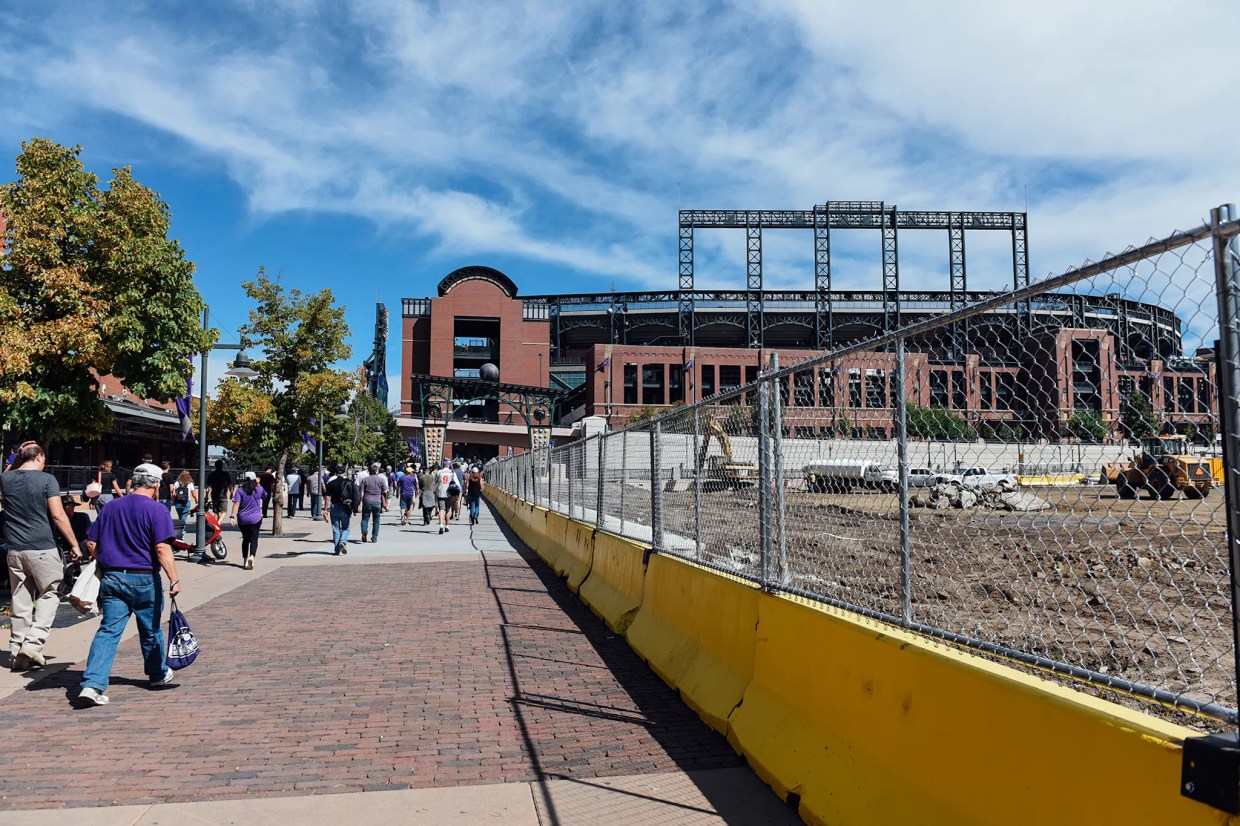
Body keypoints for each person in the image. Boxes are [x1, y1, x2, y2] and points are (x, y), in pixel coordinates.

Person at [76, 463, 181, 706]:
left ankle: (92, 684)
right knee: (151, 629)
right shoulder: (157, 510)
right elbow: (162, 548)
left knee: (108, 631)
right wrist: (174, 578)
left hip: (113, 577)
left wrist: (106, 559)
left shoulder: (111, 507)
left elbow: (91, 543)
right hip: (144, 578)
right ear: (156, 485)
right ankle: (157, 674)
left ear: (133, 482)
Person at [0, 442, 81, 671]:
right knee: (53, 591)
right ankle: (33, 643)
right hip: (42, 548)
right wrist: (74, 544)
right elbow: (58, 515)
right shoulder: (47, 480)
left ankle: (17, 652)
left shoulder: (6, 479)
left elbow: (8, 473)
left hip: (15, 549)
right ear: (39, 457)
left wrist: (19, 456)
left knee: (20, 600)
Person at [228, 471, 267, 570]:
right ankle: (252, 556)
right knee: (254, 539)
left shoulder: (240, 490)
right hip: (256, 518)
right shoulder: (259, 489)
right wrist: (258, 484)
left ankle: (245, 560)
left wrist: (232, 517)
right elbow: (265, 496)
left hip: (243, 519)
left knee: (245, 539)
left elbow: (236, 503)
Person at [324, 464, 358, 555]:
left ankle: (337, 550)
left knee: (336, 528)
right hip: (345, 507)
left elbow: (327, 497)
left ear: (335, 472)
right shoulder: (349, 482)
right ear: (344, 472)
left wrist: (325, 509)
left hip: (334, 507)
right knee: (346, 527)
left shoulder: (331, 483)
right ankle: (343, 541)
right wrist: (354, 508)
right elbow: (354, 495)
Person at [358, 462, 389, 543]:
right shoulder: (381, 480)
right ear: (376, 471)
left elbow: (362, 492)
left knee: (365, 518)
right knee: (376, 520)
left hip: (367, 500)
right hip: (377, 501)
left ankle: (364, 530)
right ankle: (374, 537)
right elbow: (385, 491)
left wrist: (362, 501)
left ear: (369, 471)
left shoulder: (365, 480)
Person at [172, 470, 198, 541]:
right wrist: (196, 499)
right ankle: (182, 531)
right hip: (186, 502)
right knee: (184, 517)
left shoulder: (177, 483)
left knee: (180, 516)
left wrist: (173, 500)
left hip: (178, 502)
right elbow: (193, 493)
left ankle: (179, 530)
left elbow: (173, 493)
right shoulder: (190, 483)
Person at [434, 460, 455, 535]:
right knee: (448, 509)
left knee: (441, 509)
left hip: (440, 492)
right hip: (448, 493)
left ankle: (441, 525)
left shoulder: (439, 472)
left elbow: (435, 482)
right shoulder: (451, 473)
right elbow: (453, 483)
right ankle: (447, 526)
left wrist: (435, 491)